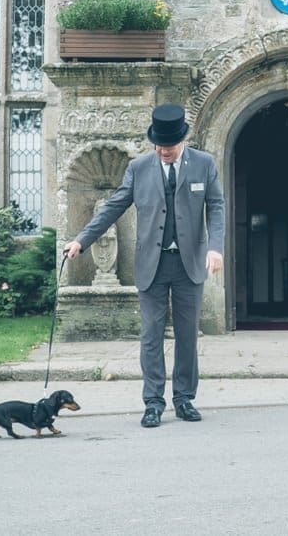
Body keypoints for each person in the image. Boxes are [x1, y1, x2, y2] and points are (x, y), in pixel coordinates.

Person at [63, 104, 225, 428]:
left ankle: (184, 399)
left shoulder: (204, 165)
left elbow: (217, 207)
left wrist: (215, 248)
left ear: (182, 140)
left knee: (186, 336)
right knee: (151, 335)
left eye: (170, 145)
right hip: (152, 264)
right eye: (160, 145)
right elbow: (113, 207)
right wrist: (82, 239)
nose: (164, 150)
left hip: (189, 264)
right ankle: (152, 402)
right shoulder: (138, 169)